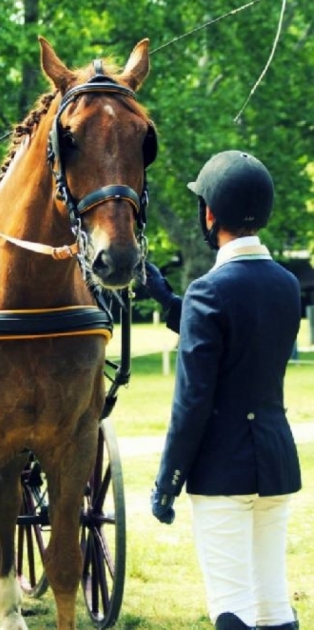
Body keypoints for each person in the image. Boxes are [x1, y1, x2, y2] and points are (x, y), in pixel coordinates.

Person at [145, 151, 301, 630]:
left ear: (209, 214)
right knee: (273, 603)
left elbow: (192, 403)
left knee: (231, 606)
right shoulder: (288, 285)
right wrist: (172, 302)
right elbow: (240, 335)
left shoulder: (209, 292)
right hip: (273, 464)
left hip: (222, 474)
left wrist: (167, 483)